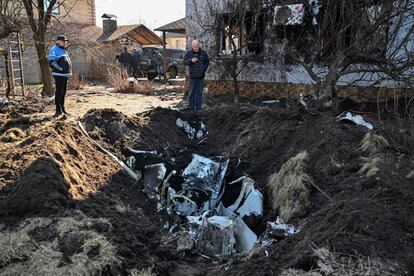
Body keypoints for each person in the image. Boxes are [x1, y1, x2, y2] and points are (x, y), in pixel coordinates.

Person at [48, 35, 72, 117]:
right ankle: (58, 110)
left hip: (65, 75)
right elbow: (52, 62)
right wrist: (61, 69)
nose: (66, 42)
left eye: (66, 41)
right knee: (59, 92)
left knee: (63, 92)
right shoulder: (54, 49)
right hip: (59, 74)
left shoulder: (63, 50)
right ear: (59, 42)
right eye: (64, 41)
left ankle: (63, 109)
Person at [184, 40, 210, 110]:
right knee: (192, 93)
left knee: (199, 93)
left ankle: (198, 107)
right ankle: (191, 107)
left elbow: (207, 62)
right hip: (192, 77)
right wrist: (191, 61)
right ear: (192, 46)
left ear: (199, 46)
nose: (195, 48)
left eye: (197, 46)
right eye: (194, 47)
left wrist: (204, 69)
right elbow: (185, 62)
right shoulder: (188, 53)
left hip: (201, 77)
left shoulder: (203, 53)